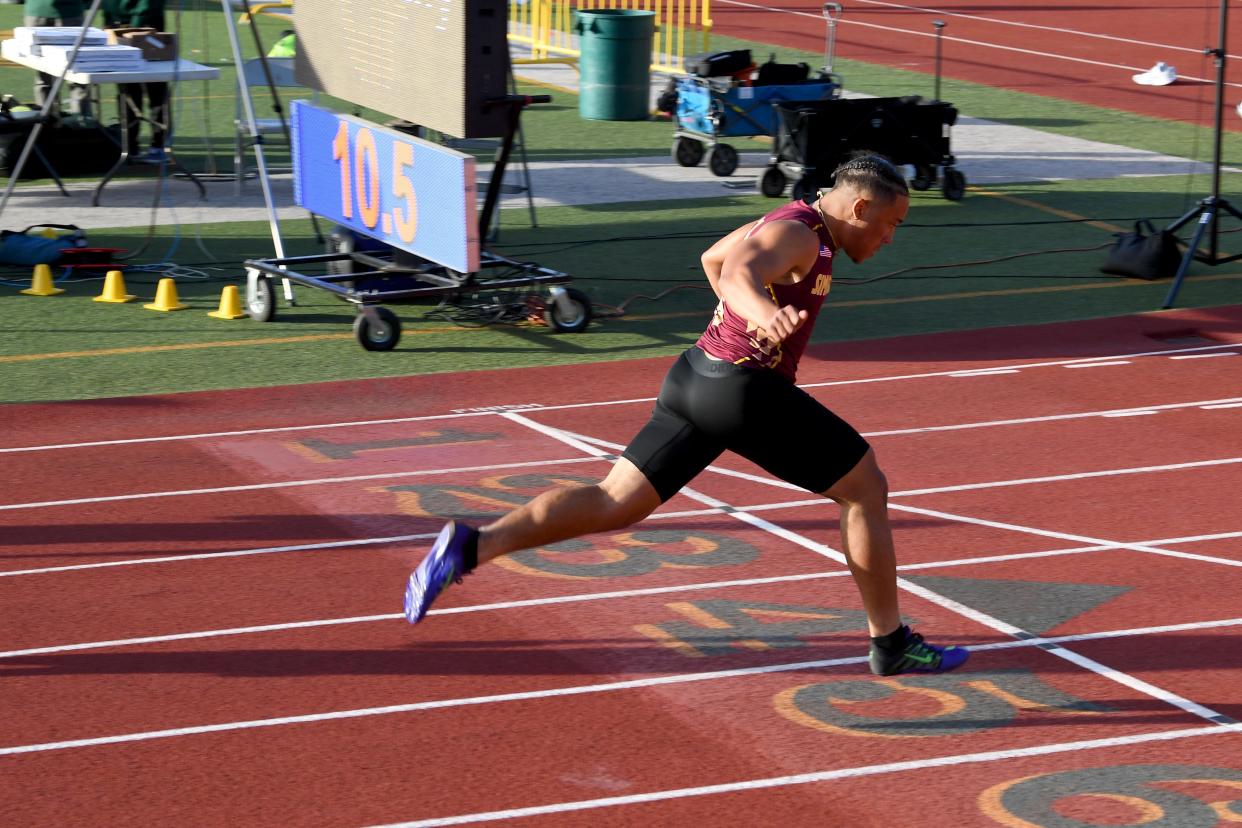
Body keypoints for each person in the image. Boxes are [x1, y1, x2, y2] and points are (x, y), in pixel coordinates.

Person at [403, 154, 970, 677]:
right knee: (865, 488)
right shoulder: (798, 232)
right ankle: (890, 644)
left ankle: (472, 546)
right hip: (744, 391)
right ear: (861, 208)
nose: (891, 237)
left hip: (696, 378)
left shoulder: (795, 222)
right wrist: (762, 315)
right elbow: (738, 273)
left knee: (613, 501)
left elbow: (713, 257)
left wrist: (738, 319)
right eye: (890, 224)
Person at [102, 0, 168, 162]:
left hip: (148, 24)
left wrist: (135, 26)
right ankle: (130, 145)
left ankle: (158, 145)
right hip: (120, 25)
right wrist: (109, 23)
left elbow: (148, 5)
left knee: (156, 85)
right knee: (127, 87)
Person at [22, 0, 93, 121]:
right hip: (68, 13)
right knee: (77, 74)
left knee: (44, 76)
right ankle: (81, 124)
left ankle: (46, 125)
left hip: (38, 11)